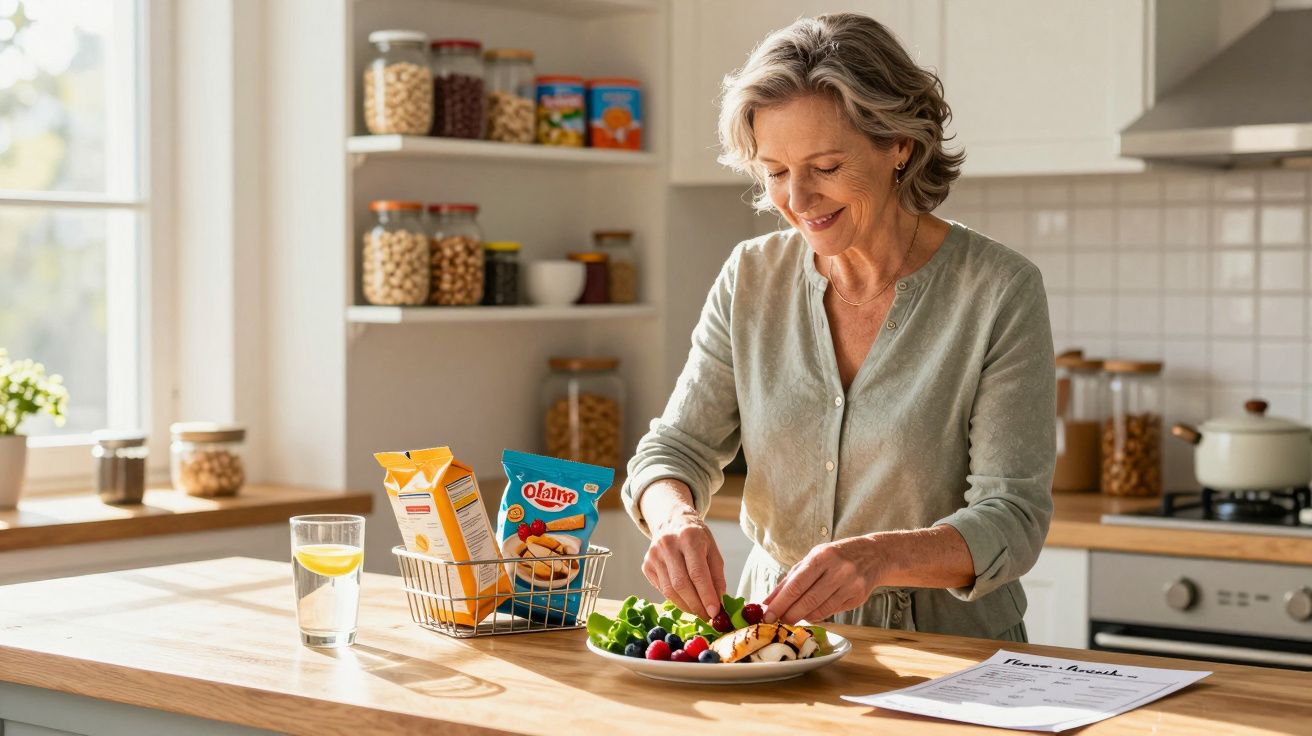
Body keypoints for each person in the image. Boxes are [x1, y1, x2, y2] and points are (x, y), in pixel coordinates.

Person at [620, 13, 1055, 641]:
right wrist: (673, 518)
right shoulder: (751, 277)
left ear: (899, 145)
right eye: (774, 171)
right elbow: (673, 451)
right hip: (773, 641)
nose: (796, 198)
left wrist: (877, 558)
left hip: (946, 652)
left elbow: (1012, 519)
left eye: (825, 167)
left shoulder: (997, 291)